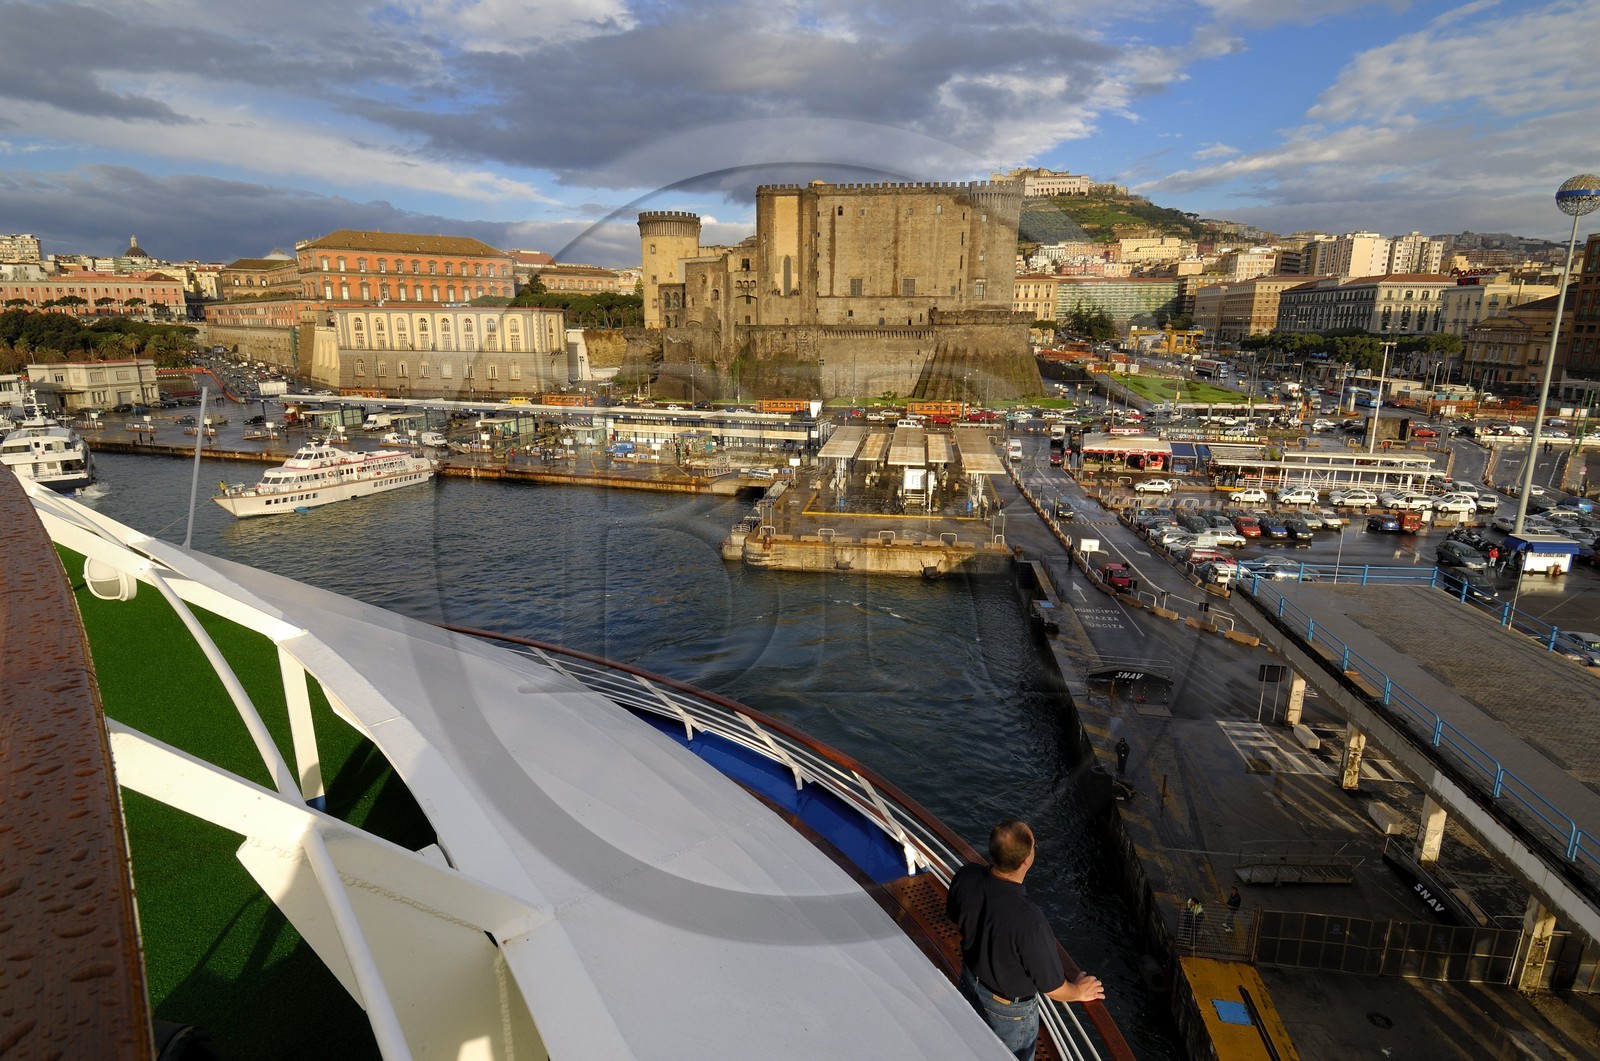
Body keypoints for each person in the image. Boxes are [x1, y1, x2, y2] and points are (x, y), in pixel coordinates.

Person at [947, 821, 1104, 1060]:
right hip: (1008, 1012)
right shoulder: (1030, 920)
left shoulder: (967, 875)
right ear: (1026, 861)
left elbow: (954, 915)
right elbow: (1053, 988)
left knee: (970, 1045)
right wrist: (1078, 991)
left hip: (969, 980)